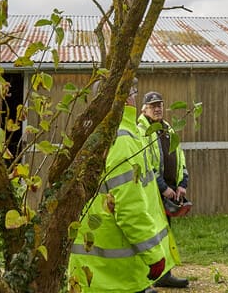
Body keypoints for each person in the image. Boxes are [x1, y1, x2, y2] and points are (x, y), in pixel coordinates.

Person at [68, 80, 174, 293]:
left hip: (95, 266)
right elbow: (128, 207)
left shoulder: (98, 132)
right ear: (124, 99)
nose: (135, 98)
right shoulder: (122, 139)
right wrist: (153, 255)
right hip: (116, 272)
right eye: (133, 92)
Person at [138, 91, 190, 289]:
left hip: (171, 192)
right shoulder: (141, 130)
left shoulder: (168, 128)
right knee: (150, 235)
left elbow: (180, 157)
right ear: (144, 109)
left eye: (159, 105)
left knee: (165, 235)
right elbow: (146, 164)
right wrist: (163, 188)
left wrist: (182, 184)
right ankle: (146, 278)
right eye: (152, 106)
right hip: (152, 193)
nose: (157, 108)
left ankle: (164, 274)